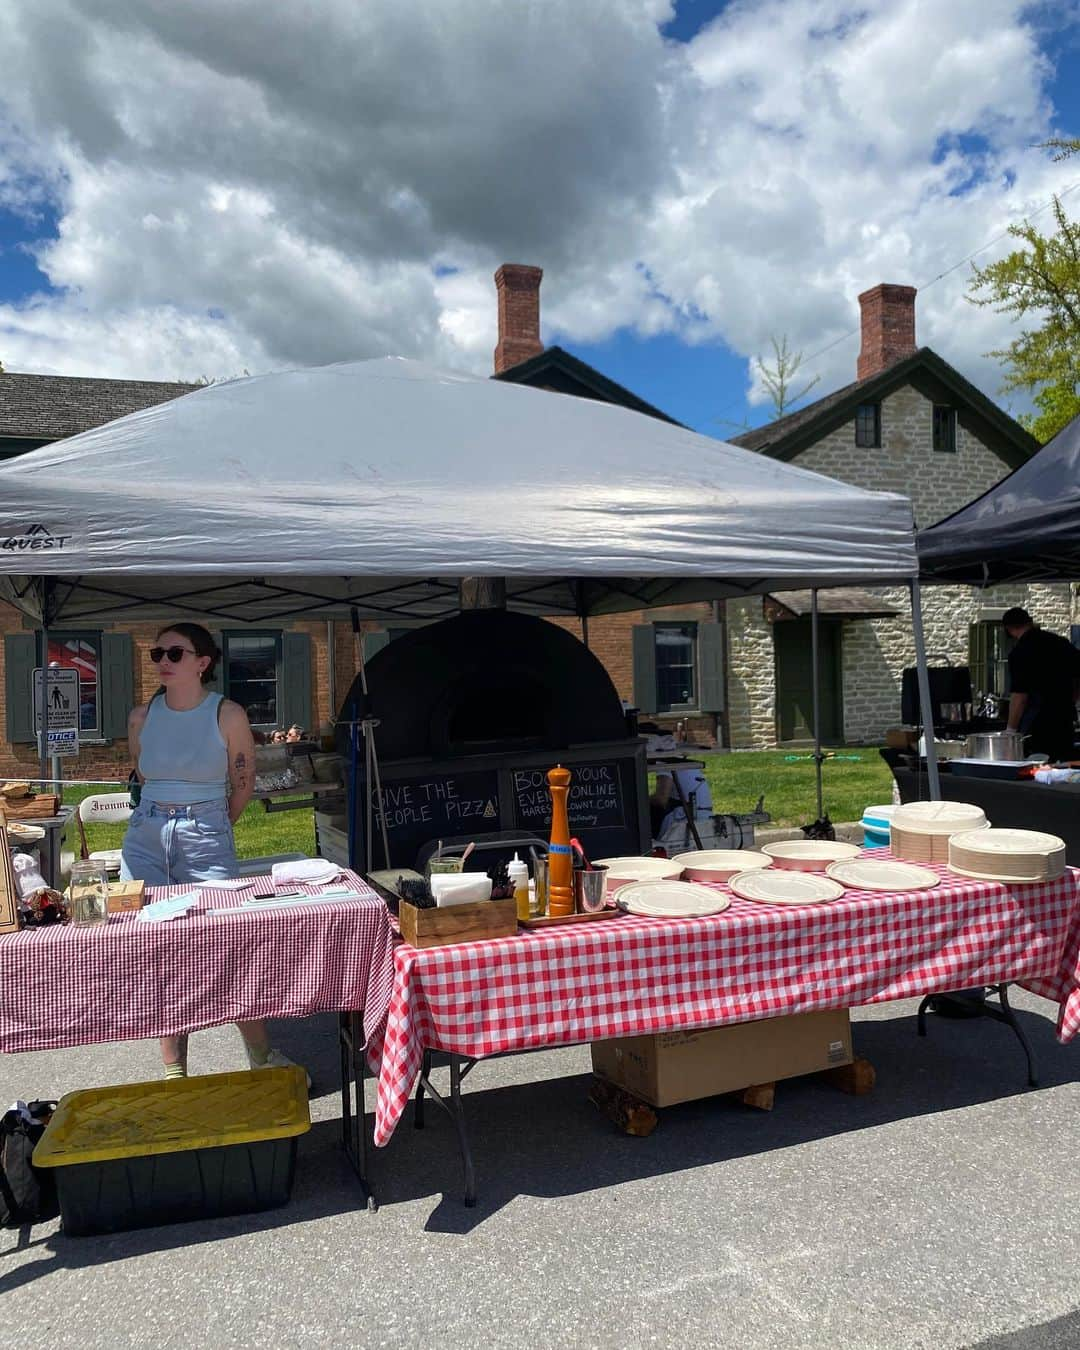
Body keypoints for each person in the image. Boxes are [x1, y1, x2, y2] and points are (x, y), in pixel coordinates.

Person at [122, 622, 309, 1085]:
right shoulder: (141, 717)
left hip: (205, 826)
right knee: (156, 948)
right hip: (146, 831)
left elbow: (242, 783)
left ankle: (261, 1058)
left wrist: (210, 822)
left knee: (228, 942)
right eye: (157, 653)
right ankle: (173, 1070)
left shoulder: (226, 714)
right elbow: (143, 778)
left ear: (202, 662)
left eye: (175, 653)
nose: (163, 661)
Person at [1003, 608, 1080, 763]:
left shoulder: (1020, 652)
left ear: (1009, 629)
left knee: (1036, 767)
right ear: (1030, 622)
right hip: (1063, 717)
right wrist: (1073, 699)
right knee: (1063, 766)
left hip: (1037, 723)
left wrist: (1011, 729)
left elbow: (1020, 695)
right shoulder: (1060, 642)